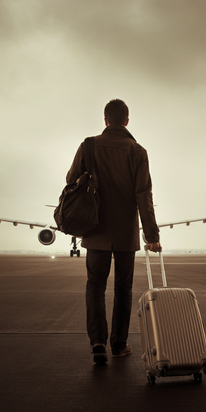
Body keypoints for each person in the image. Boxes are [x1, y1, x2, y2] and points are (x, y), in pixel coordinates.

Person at [66, 99, 161, 365]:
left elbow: (70, 180)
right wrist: (151, 235)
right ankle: (119, 345)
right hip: (124, 232)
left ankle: (98, 342)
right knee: (123, 289)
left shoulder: (88, 146)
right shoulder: (138, 151)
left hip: (95, 228)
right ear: (127, 121)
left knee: (95, 285)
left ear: (105, 120)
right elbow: (144, 196)